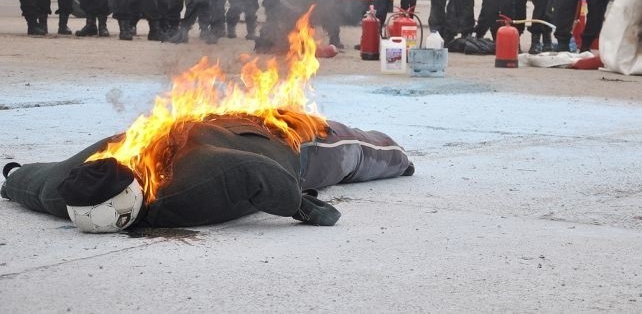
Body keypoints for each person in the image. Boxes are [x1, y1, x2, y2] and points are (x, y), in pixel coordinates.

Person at [1, 116, 414, 232]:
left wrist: (299, 207)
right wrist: (13, 177)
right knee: (342, 152)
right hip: (211, 133)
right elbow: (39, 181)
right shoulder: (69, 193)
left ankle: (403, 158)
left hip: (264, 134)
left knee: (352, 148)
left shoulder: (195, 181)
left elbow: (257, 170)